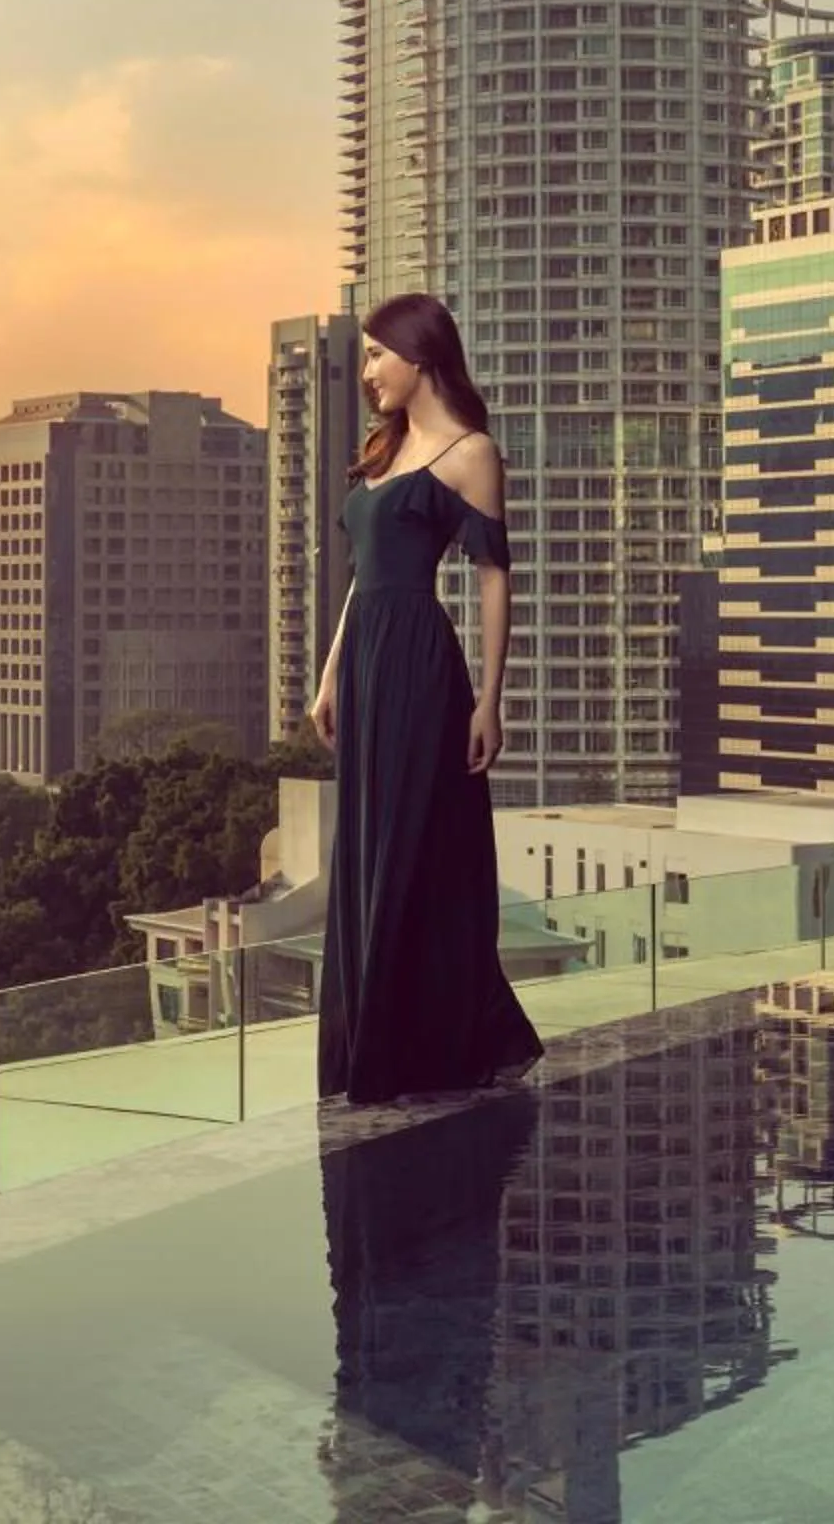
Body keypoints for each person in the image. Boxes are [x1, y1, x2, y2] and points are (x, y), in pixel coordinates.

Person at [307, 292, 544, 1105]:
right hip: (367, 663)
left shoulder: (472, 453)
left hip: (419, 664)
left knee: (411, 845)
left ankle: (420, 1048)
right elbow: (361, 578)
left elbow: (493, 578)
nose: (368, 371)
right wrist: (331, 673)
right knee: (366, 845)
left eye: (378, 354)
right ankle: (373, 1046)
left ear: (419, 355)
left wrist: (490, 700)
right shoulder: (386, 449)